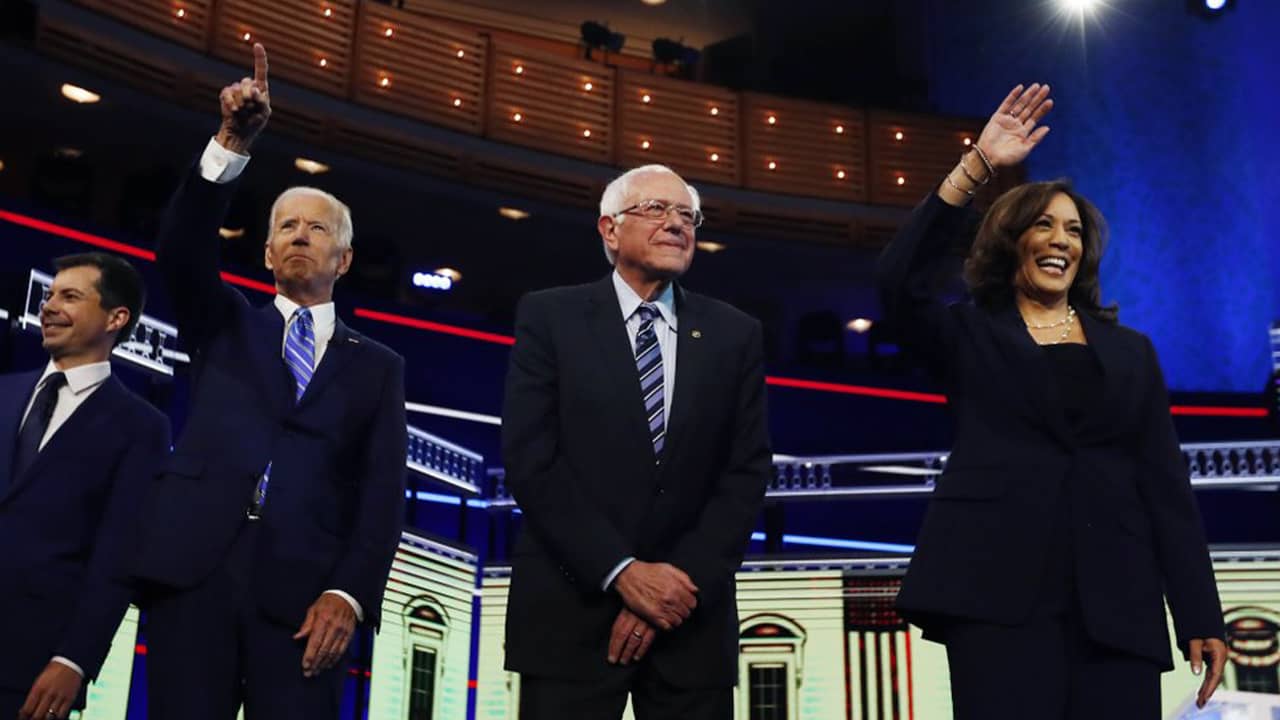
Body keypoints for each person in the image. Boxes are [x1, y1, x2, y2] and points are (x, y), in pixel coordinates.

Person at [879, 84, 1227, 718]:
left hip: (1116, 604)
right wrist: (976, 166)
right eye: (1043, 224)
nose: (1060, 239)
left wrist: (1200, 611)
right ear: (1010, 241)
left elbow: (1165, 486)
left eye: (1073, 230)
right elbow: (896, 284)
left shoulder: (1131, 352)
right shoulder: (968, 334)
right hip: (995, 597)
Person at [131, 44, 407, 720]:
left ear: (344, 259)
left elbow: (380, 495)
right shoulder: (222, 321)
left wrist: (348, 594)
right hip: (194, 574)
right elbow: (181, 248)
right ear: (266, 252)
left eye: (317, 228)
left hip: (307, 598)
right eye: (286, 226)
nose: (299, 236)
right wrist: (232, 142)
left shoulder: (378, 366)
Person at [501, 164, 772, 719]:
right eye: (655, 209)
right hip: (570, 618)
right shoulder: (549, 317)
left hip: (689, 625)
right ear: (609, 229)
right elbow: (532, 461)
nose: (676, 223)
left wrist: (675, 588)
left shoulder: (735, 334)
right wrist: (621, 571)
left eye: (687, 215)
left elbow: (745, 472)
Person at [0, 253, 170, 720]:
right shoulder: (3, 393)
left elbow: (119, 554)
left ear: (116, 318)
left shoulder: (141, 427)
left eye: (70, 297)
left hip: (30, 667)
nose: (50, 306)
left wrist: (74, 659)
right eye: (50, 295)